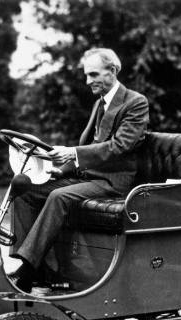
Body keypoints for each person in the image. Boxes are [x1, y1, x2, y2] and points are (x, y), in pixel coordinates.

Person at [9, 48, 149, 292]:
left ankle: (28, 270)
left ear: (112, 71)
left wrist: (73, 153)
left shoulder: (135, 103)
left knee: (58, 196)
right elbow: (88, 146)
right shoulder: (99, 104)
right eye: (86, 75)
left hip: (113, 183)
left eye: (93, 74)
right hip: (89, 177)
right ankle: (36, 267)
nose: (88, 81)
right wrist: (60, 170)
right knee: (24, 191)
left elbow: (119, 146)